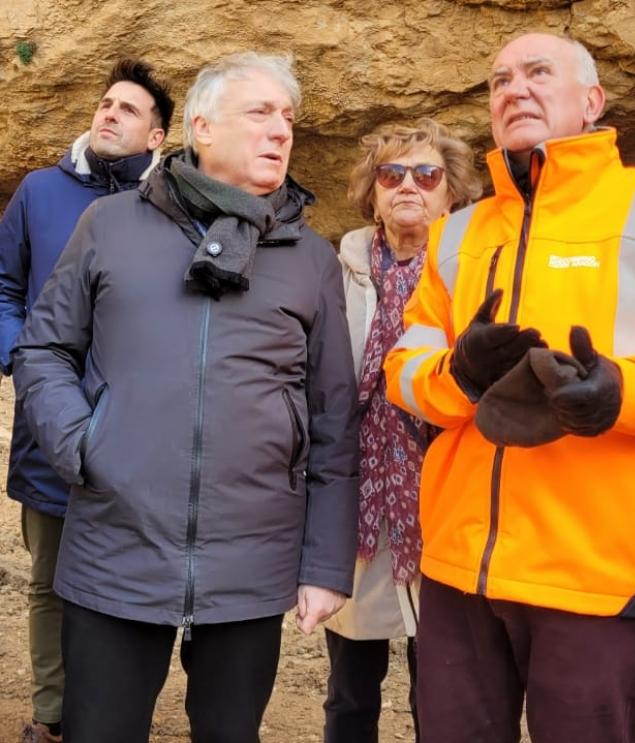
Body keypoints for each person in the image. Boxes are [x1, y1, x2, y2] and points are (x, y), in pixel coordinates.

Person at [383, 32, 635, 743]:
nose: (513, 89)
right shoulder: (456, 234)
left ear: (591, 101)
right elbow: (403, 368)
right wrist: (459, 375)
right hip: (460, 564)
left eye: (537, 73)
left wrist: (620, 390)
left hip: (593, 563)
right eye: (499, 79)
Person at [11, 52, 359, 743]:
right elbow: (43, 349)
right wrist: (84, 444)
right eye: (260, 113)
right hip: (116, 543)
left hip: (252, 558)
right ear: (202, 126)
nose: (281, 131)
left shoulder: (311, 258)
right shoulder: (109, 224)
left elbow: (333, 420)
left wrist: (324, 564)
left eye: (287, 118)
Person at [0, 58, 173, 743]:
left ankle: (110, 718)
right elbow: (2, 285)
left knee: (125, 588)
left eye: (128, 109)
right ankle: (52, 715)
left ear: (157, 136)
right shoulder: (39, 192)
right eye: (105, 103)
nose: (108, 113)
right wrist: (23, 358)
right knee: (49, 580)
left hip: (137, 433)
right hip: (47, 424)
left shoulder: (174, 203)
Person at [324, 118, 482, 742]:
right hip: (358, 495)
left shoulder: (473, 272)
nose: (407, 186)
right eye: (391, 175)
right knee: (350, 686)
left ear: (452, 194)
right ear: (373, 194)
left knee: (439, 685)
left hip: (443, 495)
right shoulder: (340, 272)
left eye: (426, 174)